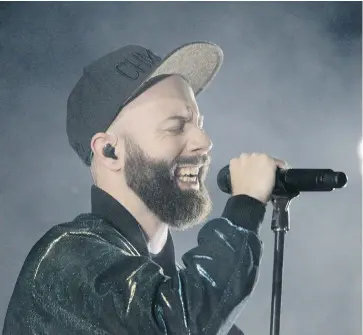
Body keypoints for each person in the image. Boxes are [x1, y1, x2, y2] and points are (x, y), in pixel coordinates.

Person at [2, 42, 287, 335]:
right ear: (110, 151)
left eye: (199, 124)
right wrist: (244, 208)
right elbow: (179, 322)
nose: (204, 141)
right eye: (176, 126)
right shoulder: (64, 259)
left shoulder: (166, 291)